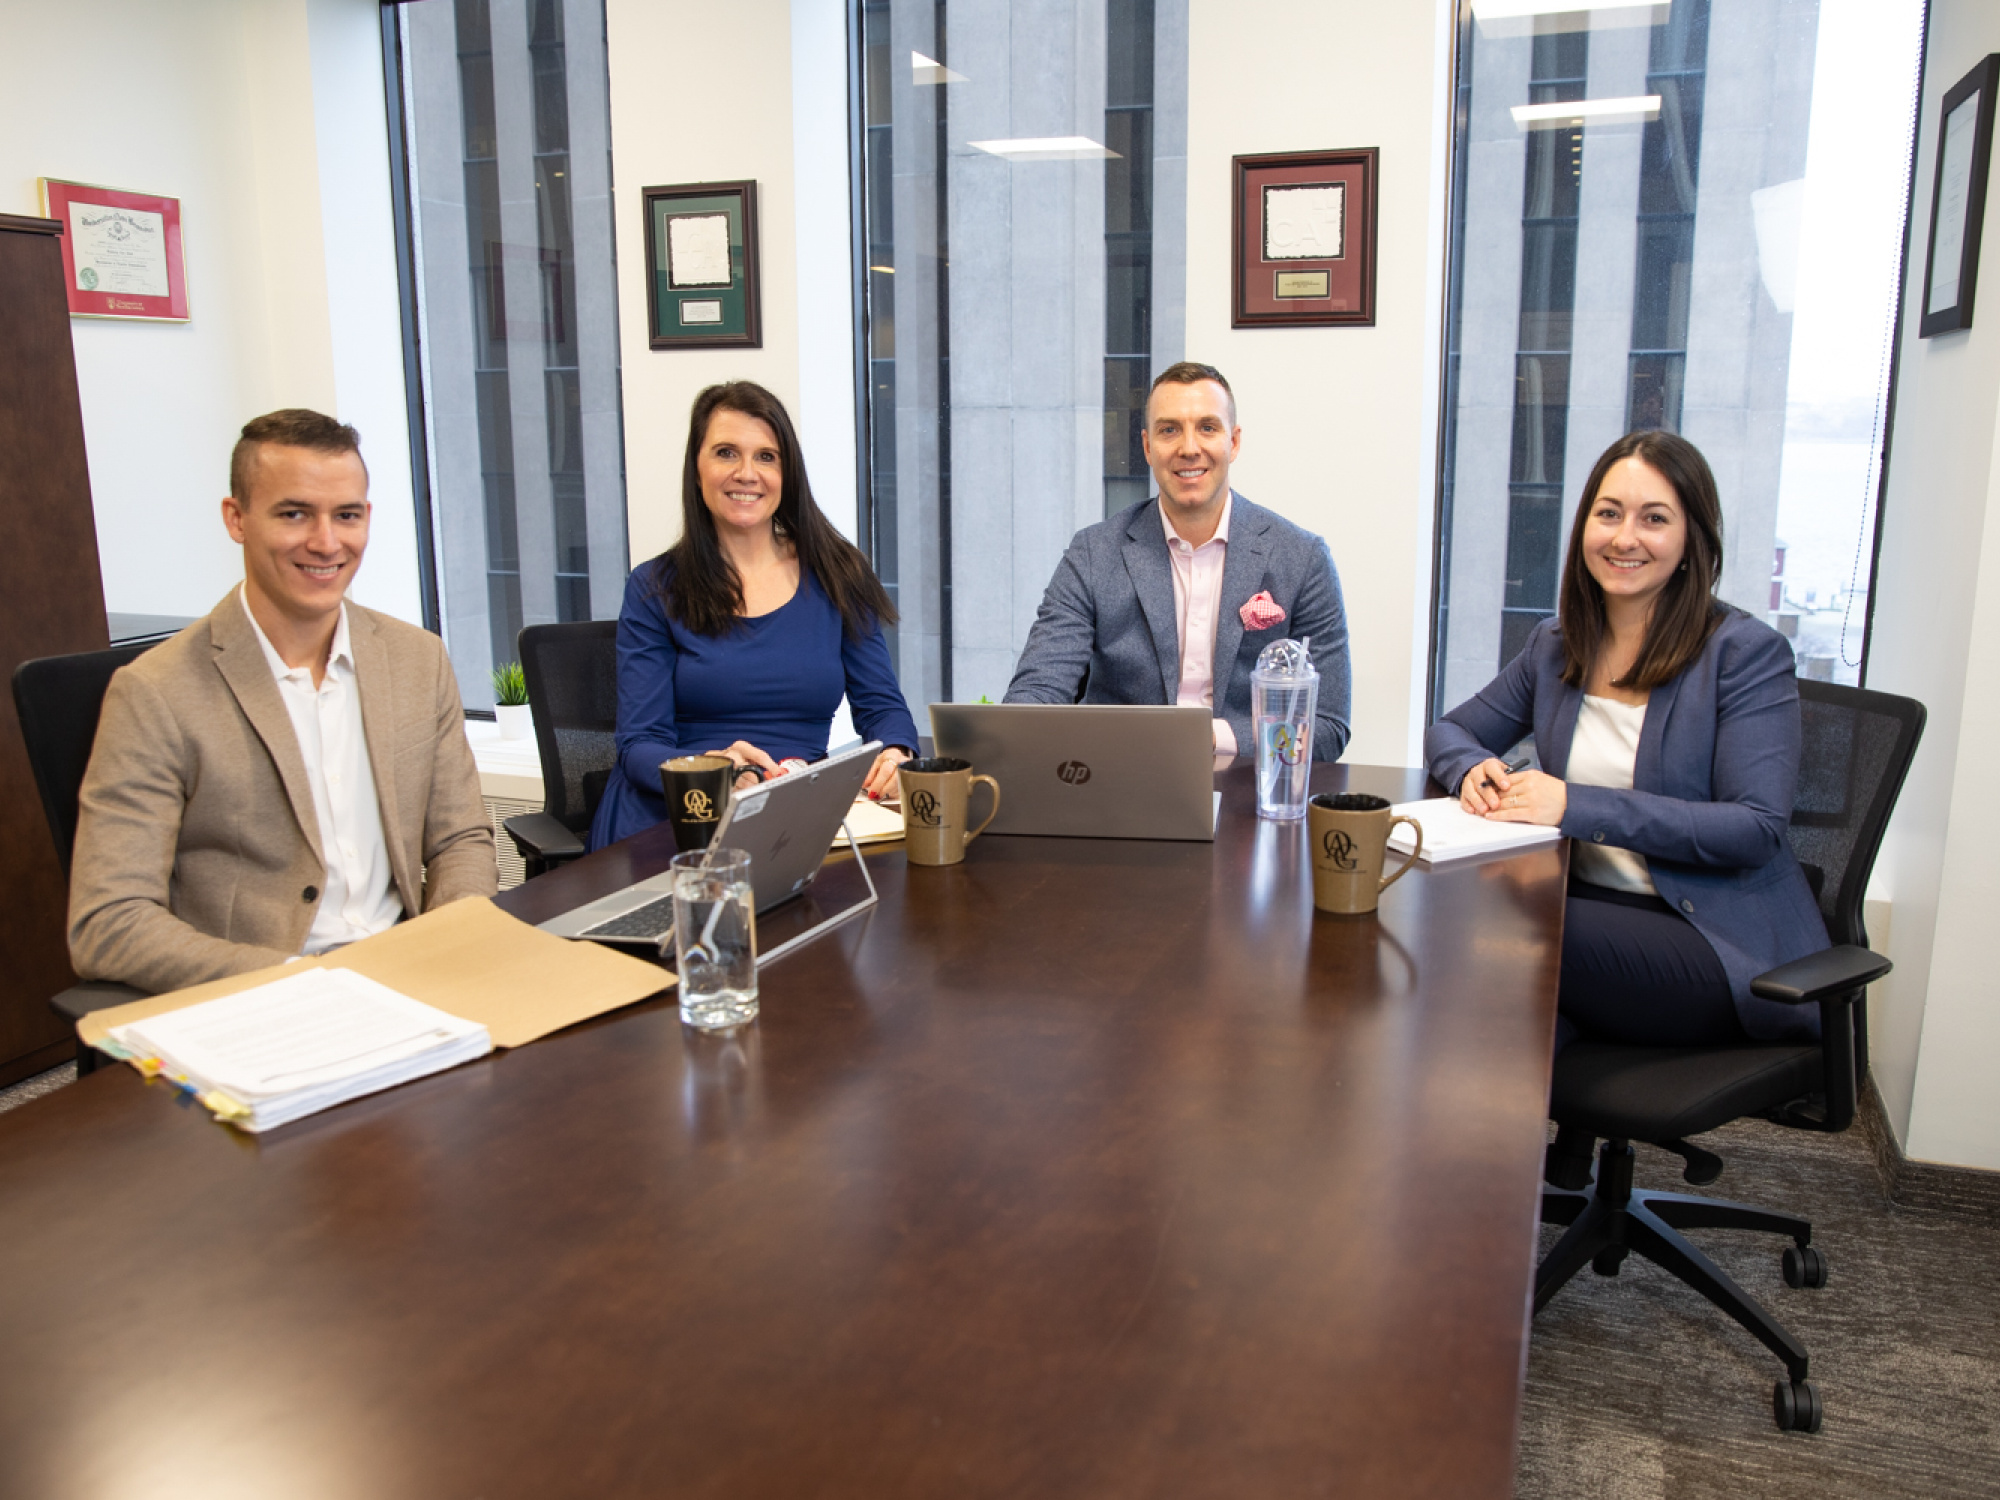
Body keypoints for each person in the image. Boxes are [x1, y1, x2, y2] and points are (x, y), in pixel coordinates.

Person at [1423, 429, 1829, 1069]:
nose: (1623, 538)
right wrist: (1474, 766)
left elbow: (1755, 828)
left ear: (1692, 540)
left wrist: (1570, 804)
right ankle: (1492, 1163)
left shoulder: (1743, 654)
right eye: (1608, 514)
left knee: (1497, 937)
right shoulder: (1557, 644)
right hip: (1587, 912)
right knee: (1494, 1038)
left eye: (1654, 519)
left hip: (1708, 939)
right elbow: (1450, 731)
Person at [69, 409, 498, 996]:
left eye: (345, 515)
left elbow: (460, 841)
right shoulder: (156, 692)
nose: (326, 543)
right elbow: (107, 924)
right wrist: (303, 981)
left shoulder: (417, 659)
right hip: (265, 994)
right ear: (237, 518)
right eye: (294, 513)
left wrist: (447, 943)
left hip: (414, 974)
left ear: (366, 517)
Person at [588, 381, 920, 850]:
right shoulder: (655, 587)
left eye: (766, 456)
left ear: (787, 474)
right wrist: (717, 771)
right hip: (676, 820)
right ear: (697, 469)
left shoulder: (838, 572)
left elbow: (883, 707)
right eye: (726, 452)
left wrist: (894, 751)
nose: (747, 473)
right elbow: (640, 745)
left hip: (787, 819)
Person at [1004, 361, 1351, 760]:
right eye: (1169, 430)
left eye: (1207, 427)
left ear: (1233, 442)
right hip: (1120, 779)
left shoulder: (1302, 559)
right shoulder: (1093, 554)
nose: (1189, 448)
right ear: (1148, 447)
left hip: (1250, 786)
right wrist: (1015, 733)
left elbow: (1326, 727)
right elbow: (1038, 691)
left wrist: (1208, 737)